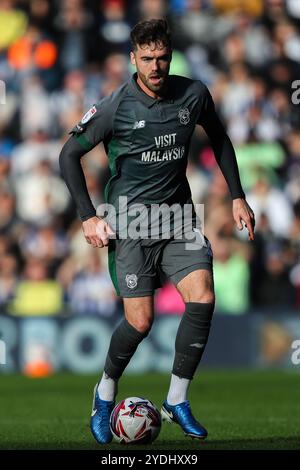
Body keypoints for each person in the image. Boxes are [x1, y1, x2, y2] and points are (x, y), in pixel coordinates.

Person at [59, 19, 255, 444]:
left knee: (203, 295)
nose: (155, 66)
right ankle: (105, 391)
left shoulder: (194, 94)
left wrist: (237, 195)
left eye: (161, 57)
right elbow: (69, 154)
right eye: (146, 58)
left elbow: (219, 138)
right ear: (133, 59)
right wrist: (88, 216)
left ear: (170, 55)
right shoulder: (116, 106)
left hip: (180, 219)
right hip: (130, 223)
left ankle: (177, 400)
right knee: (141, 321)